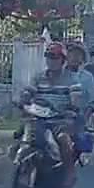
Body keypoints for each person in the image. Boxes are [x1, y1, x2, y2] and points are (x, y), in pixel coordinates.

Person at [21, 42, 79, 175]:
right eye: (48, 57)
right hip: (38, 117)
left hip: (60, 119)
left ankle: (69, 173)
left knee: (64, 140)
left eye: (55, 58)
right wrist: (23, 99)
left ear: (62, 60)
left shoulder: (72, 79)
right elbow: (28, 92)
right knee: (24, 137)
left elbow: (75, 97)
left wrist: (72, 106)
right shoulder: (38, 77)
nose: (51, 61)